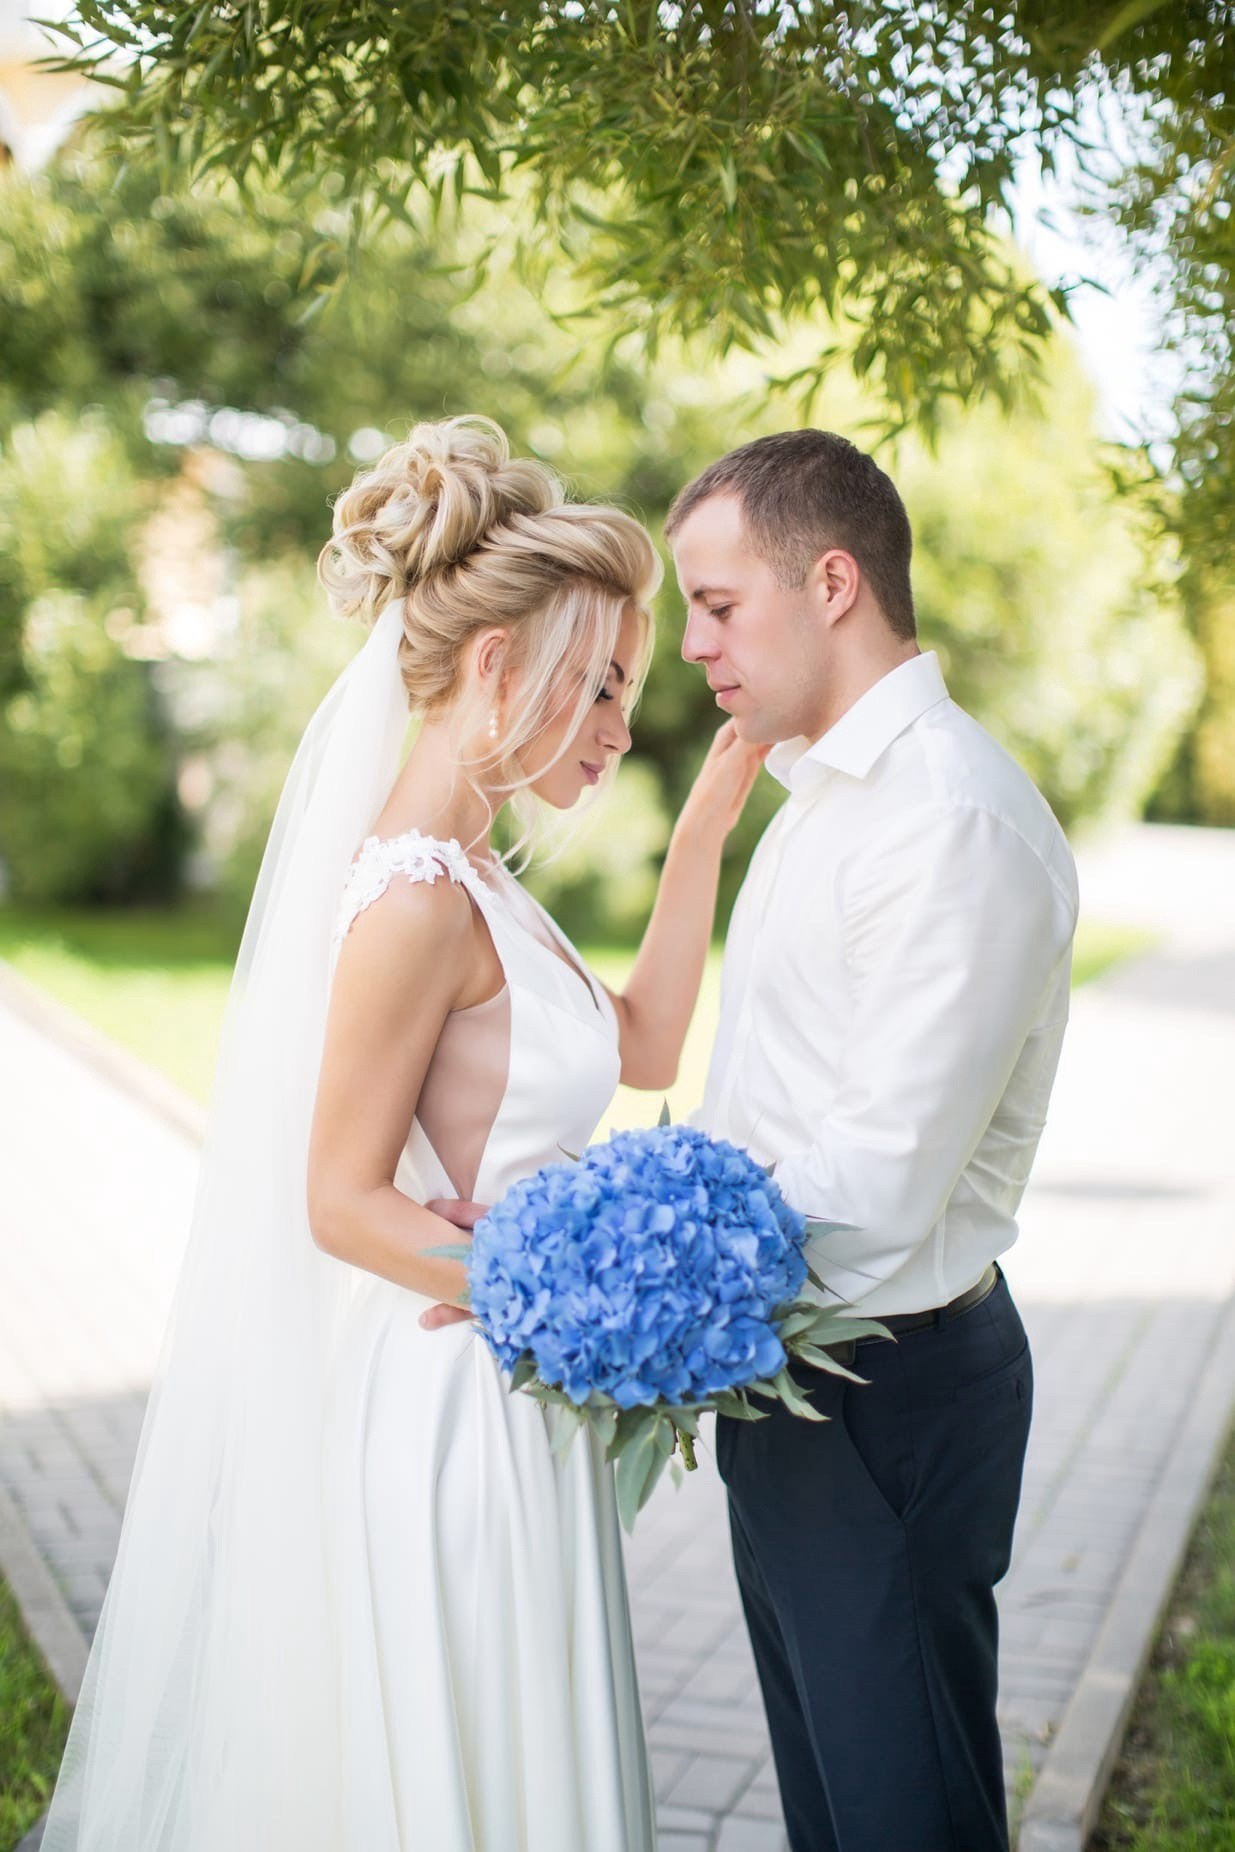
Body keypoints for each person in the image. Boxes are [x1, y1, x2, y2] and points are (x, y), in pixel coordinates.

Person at [42, 415, 764, 1852]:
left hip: (518, 1392)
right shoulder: (413, 898)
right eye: (600, 685)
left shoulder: (477, 873)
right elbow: (339, 1198)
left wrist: (700, 841)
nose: (622, 725)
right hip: (454, 1411)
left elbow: (645, 1048)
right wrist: (557, 1296)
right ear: (496, 667)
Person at [665, 429, 1079, 1852]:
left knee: (906, 1821)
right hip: (791, 1384)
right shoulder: (818, 802)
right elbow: (763, 1111)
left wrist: (644, 1309)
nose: (691, 646)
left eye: (717, 606)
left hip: (885, 1394)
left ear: (831, 581)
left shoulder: (948, 820)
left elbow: (876, 1190)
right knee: (831, 1819)